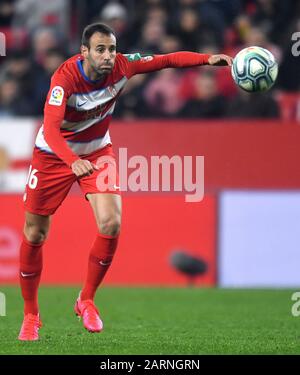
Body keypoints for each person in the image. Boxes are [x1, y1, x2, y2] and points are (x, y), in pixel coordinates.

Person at [18, 22, 232, 341]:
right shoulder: (64, 79)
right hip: (54, 154)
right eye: (100, 49)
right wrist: (71, 160)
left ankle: (86, 300)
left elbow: (166, 60)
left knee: (111, 223)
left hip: (96, 151)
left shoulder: (123, 66)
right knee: (35, 233)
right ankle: (31, 315)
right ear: (84, 52)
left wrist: (207, 59)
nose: (108, 56)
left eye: (112, 49)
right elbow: (50, 129)